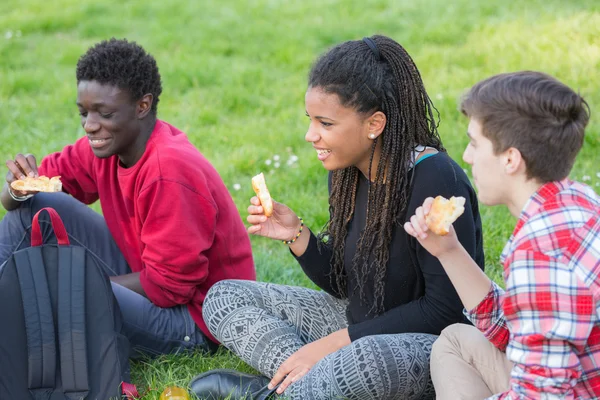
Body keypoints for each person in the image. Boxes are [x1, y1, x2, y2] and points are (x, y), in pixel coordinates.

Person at [191, 35, 485, 400]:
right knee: (223, 297)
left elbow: (445, 310)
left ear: (374, 123)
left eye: (325, 124)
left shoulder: (434, 178)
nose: (310, 135)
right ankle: (300, 386)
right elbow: (349, 287)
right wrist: (296, 235)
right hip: (357, 326)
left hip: (430, 348)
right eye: (310, 120)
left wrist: (337, 342)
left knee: (362, 361)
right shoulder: (345, 171)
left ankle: (276, 390)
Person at [0, 38, 256, 357]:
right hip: (145, 270)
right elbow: (25, 195)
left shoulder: (169, 170)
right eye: (84, 112)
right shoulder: (106, 146)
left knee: (53, 296)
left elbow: (168, 288)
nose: (90, 126)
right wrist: (16, 188)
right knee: (33, 208)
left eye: (104, 113)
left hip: (198, 321)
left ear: (142, 106)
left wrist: (72, 286)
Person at [404, 71, 600, 399]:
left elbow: (541, 395)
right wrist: (448, 251)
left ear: (510, 158)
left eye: (474, 143)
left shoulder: (539, 253)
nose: (466, 156)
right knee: (454, 339)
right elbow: (511, 329)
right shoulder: (579, 200)